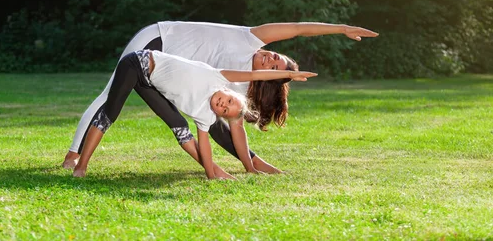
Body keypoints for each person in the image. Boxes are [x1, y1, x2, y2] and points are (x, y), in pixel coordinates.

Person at [64, 21, 378, 172]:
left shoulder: (235, 90)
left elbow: (222, 128)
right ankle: (73, 157)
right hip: (159, 39)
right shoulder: (251, 38)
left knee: (187, 121)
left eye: (275, 66)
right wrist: (340, 29)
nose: (269, 58)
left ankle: (223, 168)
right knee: (110, 94)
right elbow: (296, 28)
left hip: (162, 72)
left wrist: (251, 162)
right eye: (274, 56)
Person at [72, 49, 318, 178]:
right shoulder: (219, 76)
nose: (222, 103)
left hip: (149, 83)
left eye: (223, 109)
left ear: (218, 114)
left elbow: (205, 145)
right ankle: (81, 165)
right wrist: (289, 75)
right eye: (228, 100)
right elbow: (255, 75)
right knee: (110, 112)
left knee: (181, 128)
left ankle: (216, 172)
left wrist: (210, 173)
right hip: (138, 63)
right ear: (230, 92)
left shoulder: (204, 116)